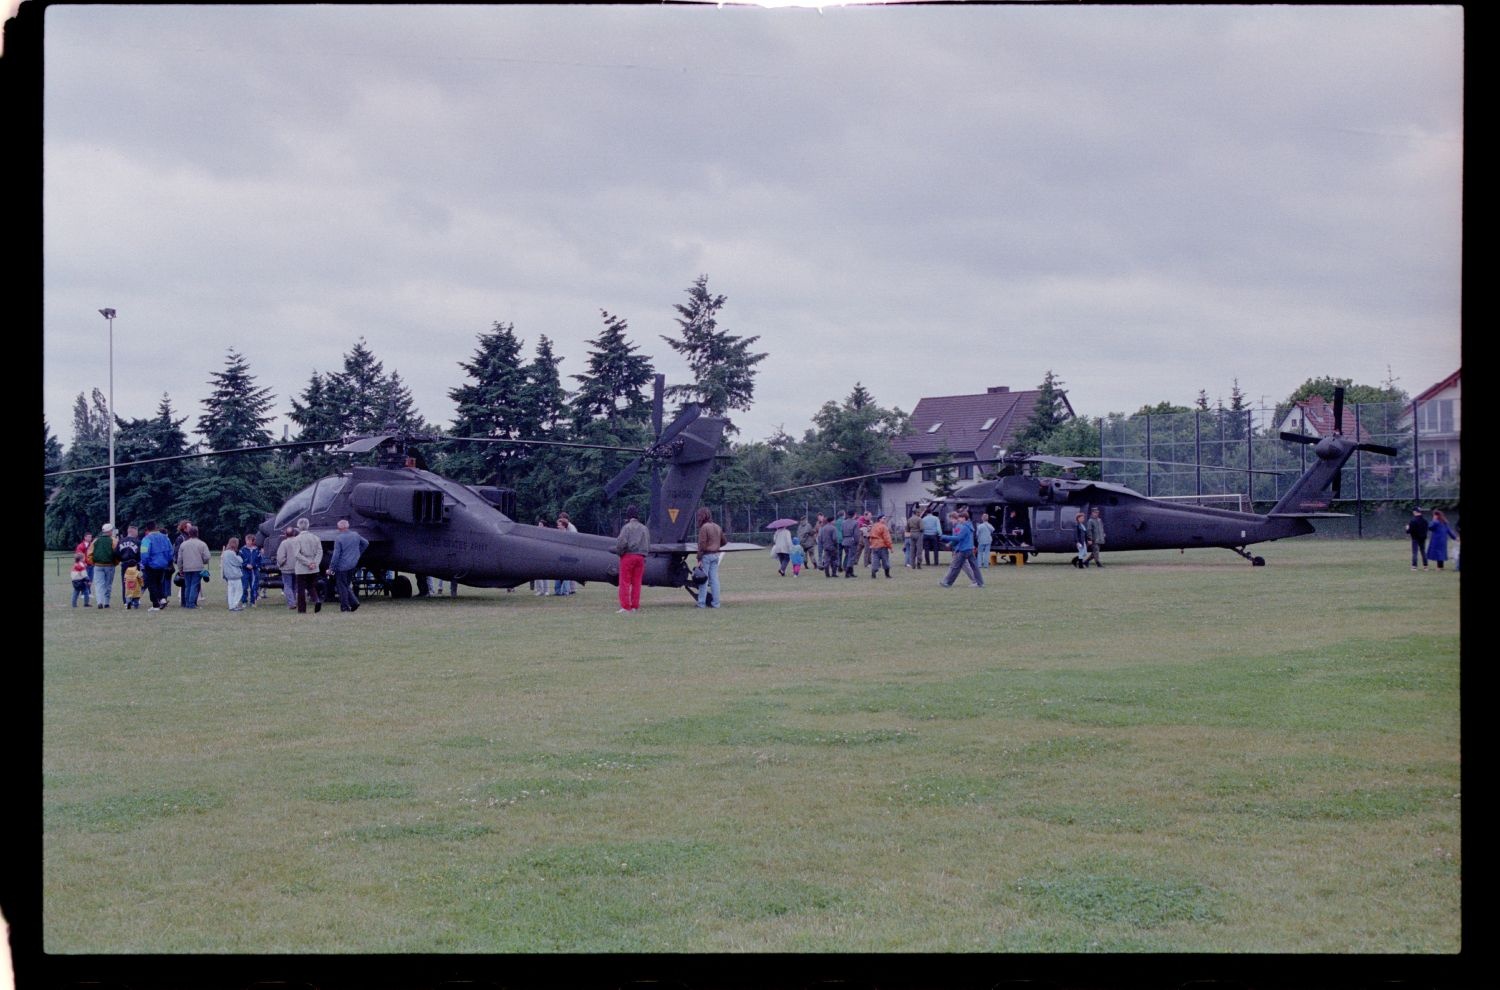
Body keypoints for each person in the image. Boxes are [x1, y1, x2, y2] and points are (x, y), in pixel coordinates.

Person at [327, 519, 370, 612]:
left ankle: (345, 607)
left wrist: (331, 568)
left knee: (341, 587)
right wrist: (358, 553)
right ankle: (354, 603)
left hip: (342, 566)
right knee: (346, 585)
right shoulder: (355, 535)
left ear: (339, 528)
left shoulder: (339, 538)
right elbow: (366, 543)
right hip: (353, 564)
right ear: (348, 526)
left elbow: (336, 555)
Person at [613, 504, 650, 613]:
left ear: (628, 516)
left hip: (628, 556)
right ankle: (634, 606)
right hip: (641, 557)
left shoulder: (627, 528)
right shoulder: (644, 528)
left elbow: (622, 542)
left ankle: (625, 606)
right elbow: (648, 543)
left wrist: (620, 553)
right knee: (637, 582)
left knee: (624, 581)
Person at [939, 511, 984, 588]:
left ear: (964, 518)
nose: (959, 519)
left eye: (960, 517)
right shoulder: (969, 525)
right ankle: (980, 583)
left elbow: (958, 538)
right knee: (975, 567)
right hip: (970, 549)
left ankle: (948, 583)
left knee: (955, 567)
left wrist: (944, 537)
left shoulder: (964, 527)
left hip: (964, 550)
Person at [139, 521, 175, 611]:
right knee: (159, 583)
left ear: (147, 529)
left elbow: (144, 553)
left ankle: (155, 605)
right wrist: (168, 562)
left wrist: (145, 563)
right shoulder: (165, 538)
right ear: (156, 527)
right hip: (163, 564)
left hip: (151, 565)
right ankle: (162, 599)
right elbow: (170, 551)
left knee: (152, 584)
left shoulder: (146, 539)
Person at [292, 517, 325, 613]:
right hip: (314, 567)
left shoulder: (297, 539)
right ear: (308, 525)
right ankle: (317, 600)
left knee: (301, 588)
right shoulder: (316, 538)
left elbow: (297, 554)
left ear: (298, 526)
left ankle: (302, 610)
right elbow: (320, 552)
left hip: (302, 567)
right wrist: (315, 563)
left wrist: (308, 563)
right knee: (311, 586)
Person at [175, 525, 211, 608]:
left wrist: (180, 568)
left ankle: (187, 603)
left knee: (187, 585)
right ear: (197, 533)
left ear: (189, 533)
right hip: (198, 568)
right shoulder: (202, 544)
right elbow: (207, 557)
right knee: (194, 585)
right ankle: (191, 604)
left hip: (186, 568)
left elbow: (179, 558)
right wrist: (203, 562)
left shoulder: (183, 544)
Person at [696, 507, 724, 608]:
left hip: (706, 556)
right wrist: (716, 545)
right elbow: (724, 541)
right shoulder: (717, 526)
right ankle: (716, 603)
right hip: (715, 555)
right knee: (714, 580)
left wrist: (699, 558)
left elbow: (702, 544)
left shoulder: (704, 527)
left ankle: (701, 603)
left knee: (703, 580)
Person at [90, 523, 119, 608]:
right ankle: (106, 602)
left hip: (98, 566)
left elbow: (89, 554)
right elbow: (117, 553)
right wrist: (115, 563)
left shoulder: (95, 540)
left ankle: (100, 602)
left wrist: (93, 562)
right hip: (109, 565)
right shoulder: (114, 541)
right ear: (109, 531)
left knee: (99, 584)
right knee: (108, 584)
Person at [554, 512, 578, 596]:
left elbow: (574, 540)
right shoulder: (562, 530)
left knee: (568, 572)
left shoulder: (571, 528)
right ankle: (560, 590)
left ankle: (569, 590)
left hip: (569, 553)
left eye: (562, 518)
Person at [116, 525, 141, 603]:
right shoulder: (137, 542)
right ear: (133, 531)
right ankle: (134, 599)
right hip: (135, 564)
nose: (137, 533)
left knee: (125, 581)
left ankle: (125, 600)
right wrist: (138, 560)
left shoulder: (120, 541)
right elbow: (140, 553)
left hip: (124, 563)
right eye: (136, 531)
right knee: (136, 581)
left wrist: (121, 559)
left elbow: (116, 553)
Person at [275, 526, 299, 608]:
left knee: (287, 586)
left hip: (286, 568)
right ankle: (294, 601)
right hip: (297, 568)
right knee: (294, 586)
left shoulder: (284, 543)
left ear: (285, 534)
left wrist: (280, 564)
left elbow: (280, 557)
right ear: (294, 533)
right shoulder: (299, 542)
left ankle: (291, 603)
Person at [221, 537, 246, 611]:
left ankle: (231, 605)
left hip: (228, 575)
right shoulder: (232, 553)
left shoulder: (225, 553)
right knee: (239, 591)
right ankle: (235, 605)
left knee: (230, 591)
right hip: (235, 574)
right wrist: (239, 557)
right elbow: (239, 562)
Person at [868, 513, 894, 578]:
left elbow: (870, 536)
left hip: (874, 545)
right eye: (883, 518)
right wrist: (890, 547)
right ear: (880, 519)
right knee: (885, 560)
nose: (885, 520)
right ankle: (887, 574)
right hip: (882, 546)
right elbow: (887, 538)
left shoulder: (874, 526)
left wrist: (871, 544)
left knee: (875, 560)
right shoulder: (884, 527)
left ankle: (873, 572)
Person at [240, 534, 263, 607]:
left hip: (254, 571)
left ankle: (253, 601)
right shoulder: (242, 550)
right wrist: (245, 565)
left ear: (253, 541)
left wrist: (255, 566)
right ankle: (244, 601)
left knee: (254, 587)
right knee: (244, 586)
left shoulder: (256, 550)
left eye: (249, 540)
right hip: (245, 571)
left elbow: (260, 561)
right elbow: (240, 560)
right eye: (247, 540)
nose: (248, 542)